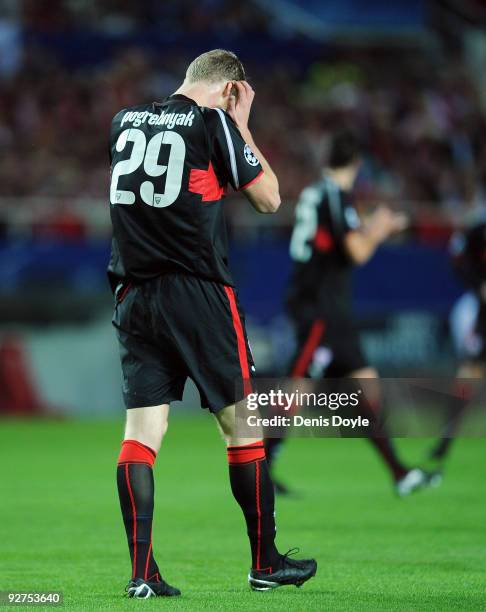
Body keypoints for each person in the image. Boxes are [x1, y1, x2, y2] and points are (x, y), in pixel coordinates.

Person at [108, 49, 317, 598]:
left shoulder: (124, 121)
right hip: (198, 292)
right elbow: (270, 199)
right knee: (242, 431)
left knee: (141, 437)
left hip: (134, 294)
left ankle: (141, 574)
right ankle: (266, 564)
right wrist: (242, 124)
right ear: (230, 89)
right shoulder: (216, 121)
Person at [266, 129, 436, 497]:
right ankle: (260, 465)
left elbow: (345, 244)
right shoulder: (335, 195)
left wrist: (373, 229)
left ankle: (399, 473)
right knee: (297, 388)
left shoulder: (317, 193)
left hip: (329, 308)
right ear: (357, 163)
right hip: (319, 308)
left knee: (364, 388)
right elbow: (356, 252)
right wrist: (379, 228)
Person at [427, 217, 486, 465]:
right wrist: (479, 285)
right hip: (482, 313)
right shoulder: (478, 232)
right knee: (469, 374)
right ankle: (446, 438)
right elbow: (457, 259)